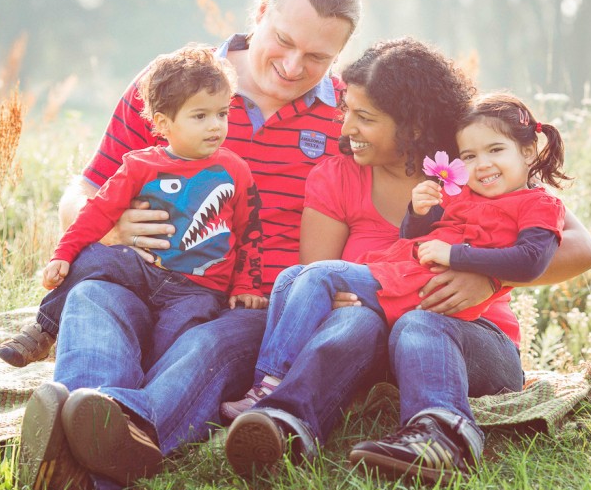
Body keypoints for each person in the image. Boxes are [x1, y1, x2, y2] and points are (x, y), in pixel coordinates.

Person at [17, 0, 362, 490]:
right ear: (262, 9)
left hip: (246, 310)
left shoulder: (347, 117)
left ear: (338, 54)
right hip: (139, 280)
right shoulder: (174, 82)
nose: (294, 67)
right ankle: (88, 424)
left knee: (210, 343)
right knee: (91, 298)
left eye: (317, 57)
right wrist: (112, 233)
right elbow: (84, 192)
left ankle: (94, 443)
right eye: (284, 41)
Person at [220, 40, 591, 484]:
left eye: (364, 117)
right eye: (347, 111)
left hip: (470, 338)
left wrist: (487, 277)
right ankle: (283, 421)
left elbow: (580, 248)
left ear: (412, 124)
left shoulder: (473, 165)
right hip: (374, 324)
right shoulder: (340, 177)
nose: (346, 129)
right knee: (357, 321)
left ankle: (440, 437)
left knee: (419, 324)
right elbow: (317, 279)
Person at [220, 92, 567, 422]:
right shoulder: (464, 193)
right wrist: (418, 214)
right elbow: (418, 240)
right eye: (469, 156)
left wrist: (458, 257)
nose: (482, 165)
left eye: (495, 150)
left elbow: (530, 260)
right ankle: (269, 385)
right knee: (291, 278)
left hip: (438, 307)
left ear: (528, 151)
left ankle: (271, 384)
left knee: (317, 276)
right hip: (407, 282)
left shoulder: (539, 203)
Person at [0, 46, 266, 373]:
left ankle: (140, 394)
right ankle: (44, 330)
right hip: (141, 268)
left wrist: (246, 286)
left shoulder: (235, 171)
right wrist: (64, 253)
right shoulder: (139, 166)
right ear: (163, 123)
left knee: (176, 342)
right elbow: (97, 212)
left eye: (222, 114)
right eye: (200, 116)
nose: (215, 126)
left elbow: (250, 232)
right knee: (94, 257)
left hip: (198, 290)